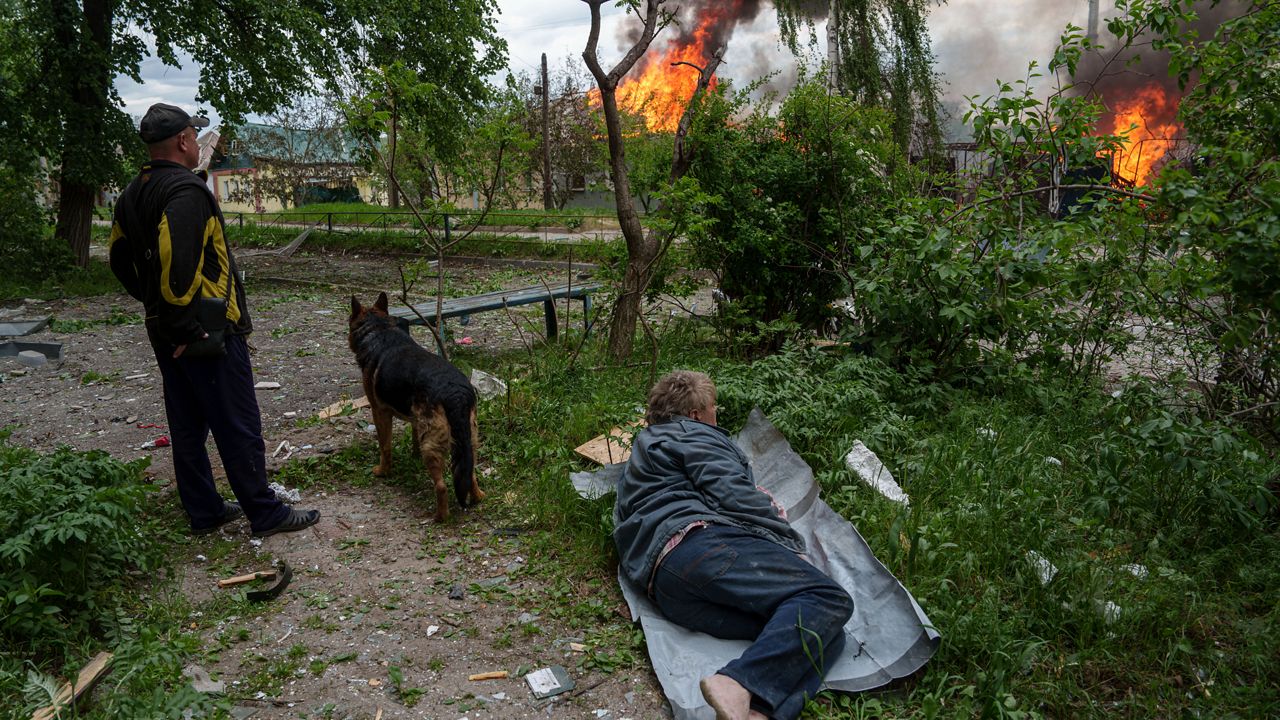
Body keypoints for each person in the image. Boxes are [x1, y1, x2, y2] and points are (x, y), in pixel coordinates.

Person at [110, 102, 320, 538]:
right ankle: (265, 512)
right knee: (237, 421)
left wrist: (152, 306)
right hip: (207, 332)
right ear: (185, 141)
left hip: (165, 329)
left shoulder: (133, 192)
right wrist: (186, 326)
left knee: (187, 424)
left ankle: (204, 511)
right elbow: (176, 263)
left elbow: (118, 258)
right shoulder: (186, 192)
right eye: (195, 134)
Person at [614, 371, 853, 720]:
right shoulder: (693, 434)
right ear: (697, 414)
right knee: (827, 597)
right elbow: (733, 492)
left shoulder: (646, 451)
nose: (716, 415)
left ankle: (756, 712)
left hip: (668, 587)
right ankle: (735, 682)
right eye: (714, 408)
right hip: (699, 547)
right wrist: (787, 540)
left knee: (822, 633)